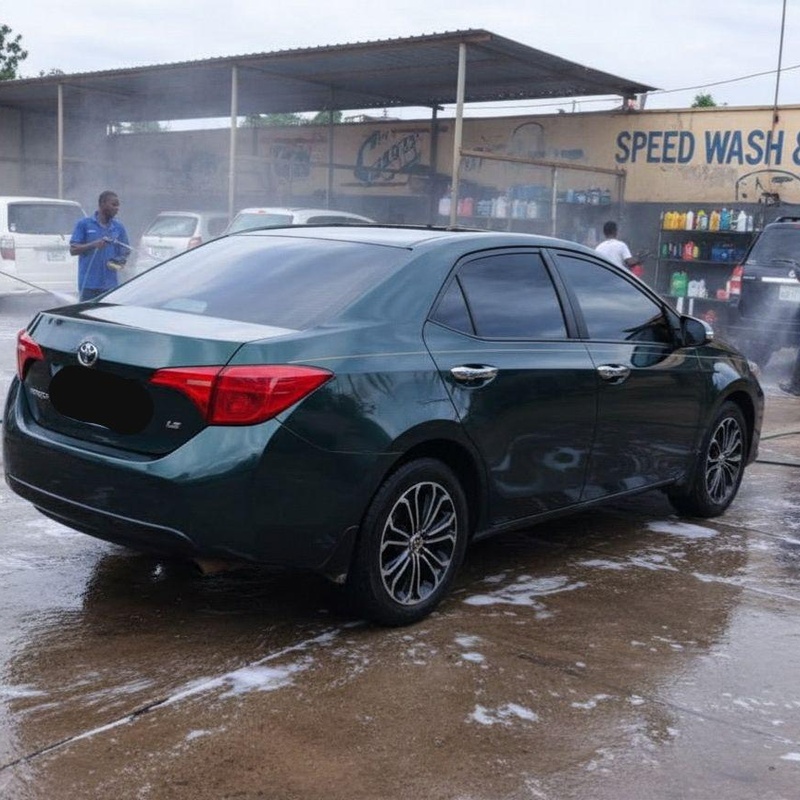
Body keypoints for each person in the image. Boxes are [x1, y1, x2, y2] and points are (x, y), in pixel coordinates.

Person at [70, 190, 130, 301]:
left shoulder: (118, 226)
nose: (117, 208)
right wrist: (94, 244)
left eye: (118, 205)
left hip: (110, 285)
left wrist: (119, 261)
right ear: (102, 204)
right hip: (89, 284)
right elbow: (73, 250)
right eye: (114, 205)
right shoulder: (84, 224)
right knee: (87, 315)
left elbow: (126, 250)